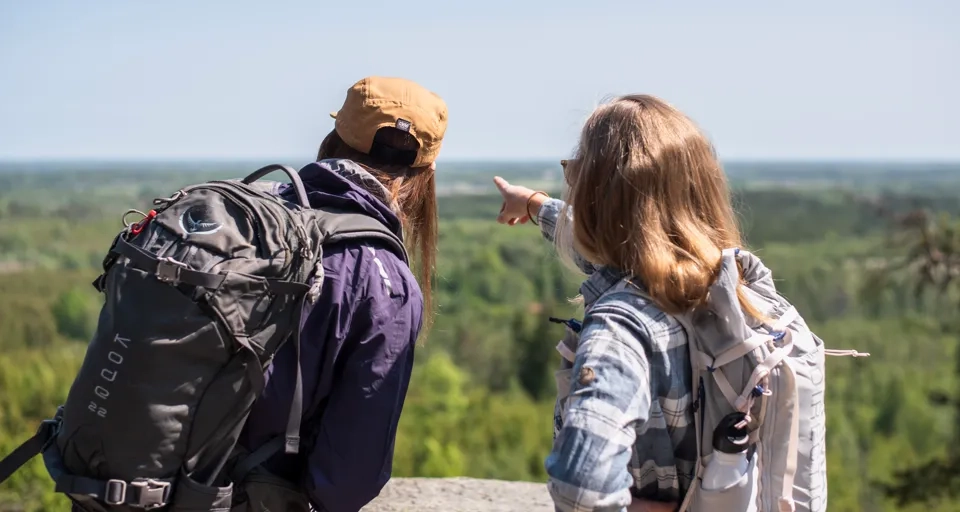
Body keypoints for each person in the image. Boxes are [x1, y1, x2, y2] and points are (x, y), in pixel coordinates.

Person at [493, 94, 755, 512]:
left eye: (576, 171)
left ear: (602, 199)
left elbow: (581, 491)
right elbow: (610, 249)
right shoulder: (732, 283)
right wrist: (534, 204)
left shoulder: (623, 328)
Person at [235, 76, 447, 512]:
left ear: (333, 140)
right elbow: (347, 479)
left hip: (135, 477)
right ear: (424, 176)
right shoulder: (385, 279)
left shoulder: (251, 212)